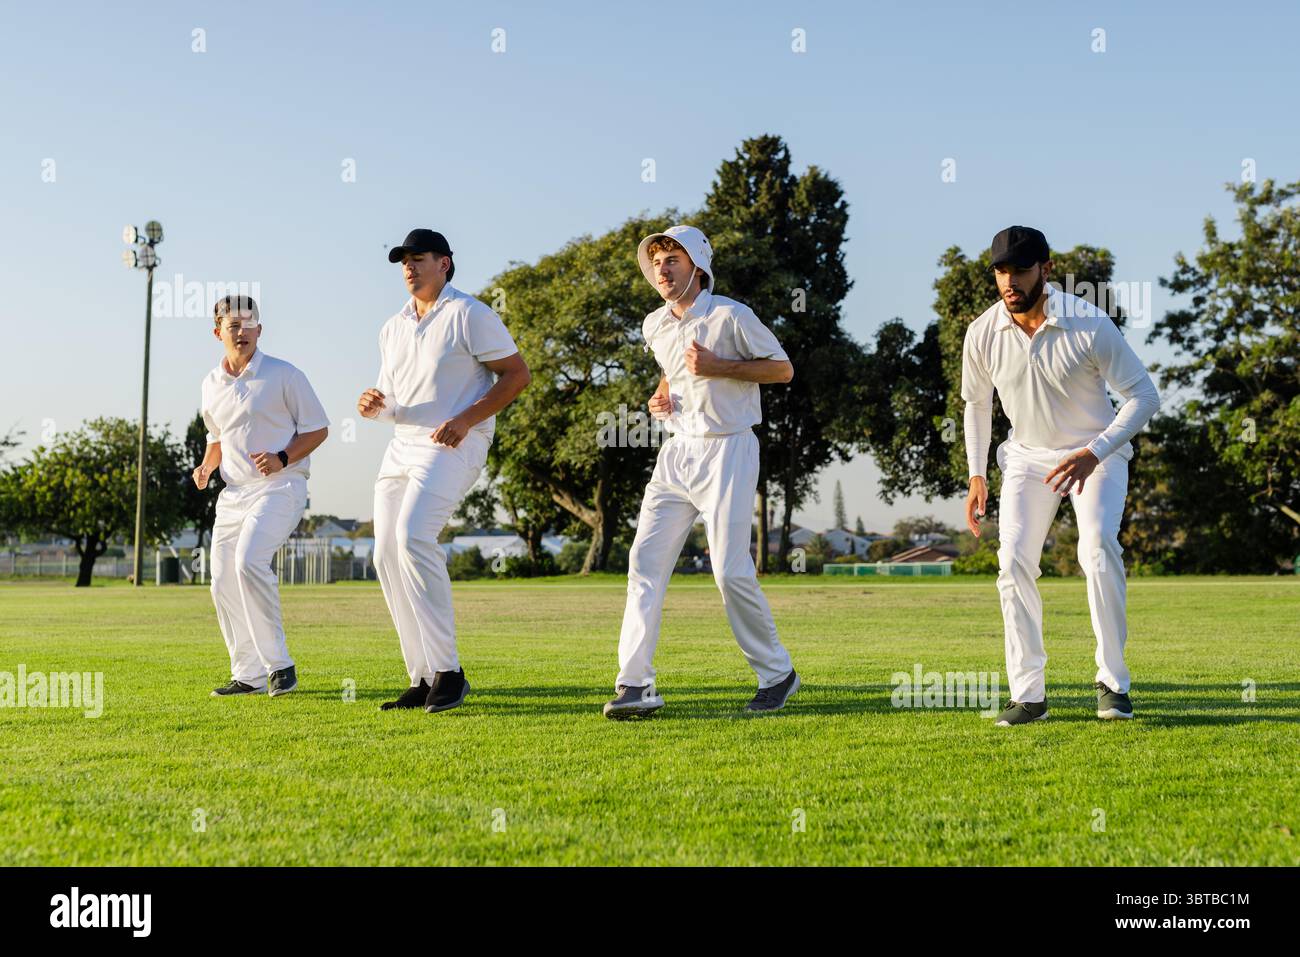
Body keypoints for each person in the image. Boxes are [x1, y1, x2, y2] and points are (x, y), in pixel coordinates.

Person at [961, 226, 1160, 726]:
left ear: (1045, 270)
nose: (1009, 281)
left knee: (1095, 549)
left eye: (1020, 270)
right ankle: (1028, 695)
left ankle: (1113, 685)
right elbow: (976, 404)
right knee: (1012, 563)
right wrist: (976, 474)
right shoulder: (982, 332)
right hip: (1027, 458)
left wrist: (1095, 452)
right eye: (1001, 271)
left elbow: (1144, 397)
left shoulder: (1089, 324)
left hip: (1097, 452)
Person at [604, 225, 799, 719]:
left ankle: (777, 675)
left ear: (697, 266)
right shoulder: (654, 324)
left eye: (673, 259)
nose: (662, 270)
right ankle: (635, 685)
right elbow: (674, 367)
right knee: (643, 564)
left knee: (729, 571)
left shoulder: (732, 314)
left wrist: (721, 368)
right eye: (657, 262)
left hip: (729, 449)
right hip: (677, 453)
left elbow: (782, 370)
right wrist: (663, 392)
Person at [358, 229, 530, 714]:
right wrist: (375, 405)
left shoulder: (470, 314)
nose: (409, 268)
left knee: (414, 536)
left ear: (445, 264)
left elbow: (518, 374)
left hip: (455, 441)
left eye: (419, 259)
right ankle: (423, 675)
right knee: (386, 555)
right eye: (403, 262)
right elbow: (392, 399)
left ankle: (450, 673)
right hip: (402, 446)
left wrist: (466, 419)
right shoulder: (391, 327)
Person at [196, 295, 329, 698]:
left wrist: (283, 457)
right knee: (221, 580)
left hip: (281, 486)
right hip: (233, 495)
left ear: (260, 330)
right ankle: (248, 674)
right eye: (232, 325)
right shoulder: (210, 383)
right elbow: (216, 437)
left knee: (249, 561)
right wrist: (206, 466)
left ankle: (280, 666)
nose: (242, 331)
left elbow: (318, 428)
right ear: (218, 331)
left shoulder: (285, 375)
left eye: (248, 323)